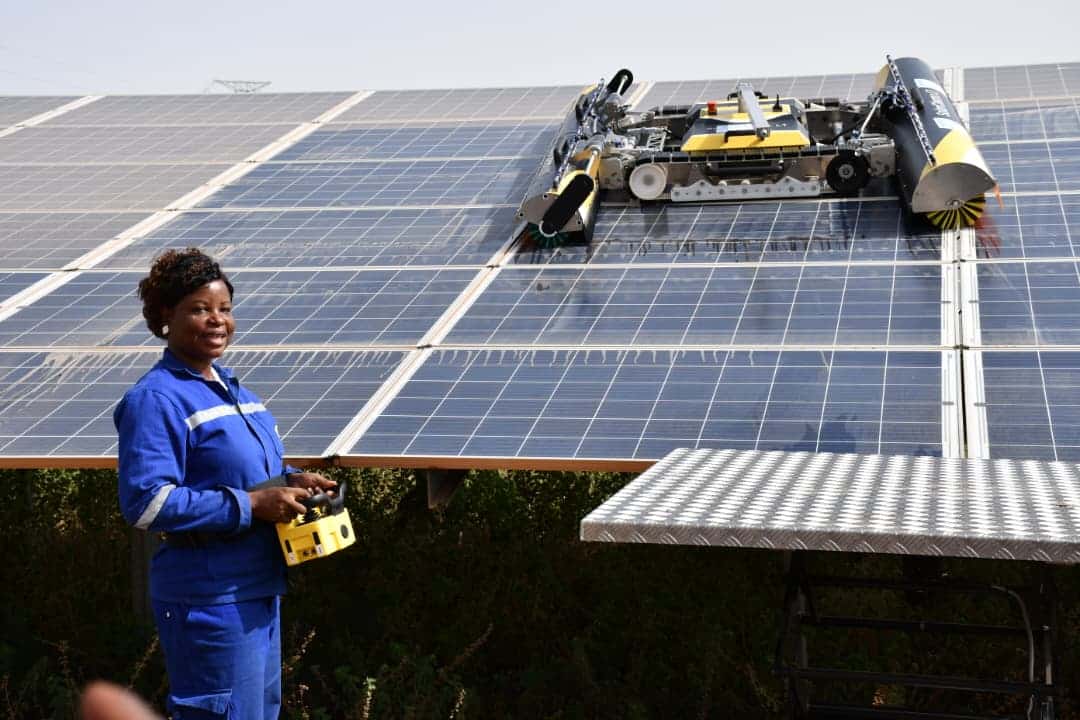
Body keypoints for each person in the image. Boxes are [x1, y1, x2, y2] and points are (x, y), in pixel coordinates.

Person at [114, 248, 336, 720]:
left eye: (225, 309)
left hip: (257, 587)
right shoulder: (156, 399)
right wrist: (252, 504)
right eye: (199, 308)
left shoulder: (237, 391)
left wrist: (293, 479)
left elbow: (244, 474)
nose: (217, 320)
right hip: (208, 599)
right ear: (164, 317)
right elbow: (146, 503)